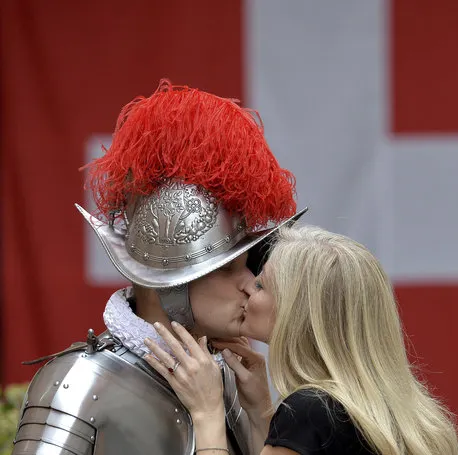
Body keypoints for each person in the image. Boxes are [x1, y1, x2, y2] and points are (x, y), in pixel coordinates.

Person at [12, 79, 306, 455]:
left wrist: (263, 415)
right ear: (171, 281)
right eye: (226, 269)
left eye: (245, 265)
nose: (251, 284)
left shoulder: (228, 382)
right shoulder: (77, 385)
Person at [146, 225, 458, 455]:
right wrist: (261, 414)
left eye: (260, 284)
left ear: (297, 311)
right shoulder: (403, 414)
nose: (246, 288)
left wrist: (208, 412)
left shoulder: (312, 412)